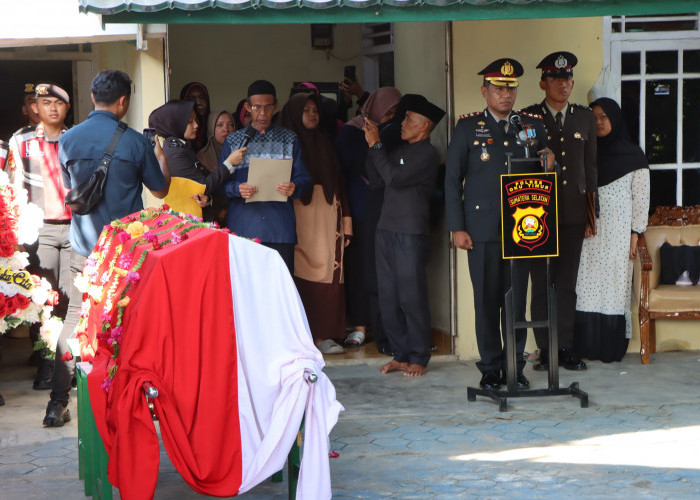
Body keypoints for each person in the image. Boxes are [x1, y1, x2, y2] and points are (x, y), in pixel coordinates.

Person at [42, 70, 171, 427]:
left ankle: (57, 403)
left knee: (75, 320)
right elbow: (159, 190)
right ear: (124, 101)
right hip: (124, 252)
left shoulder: (68, 140)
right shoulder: (134, 142)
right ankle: (126, 399)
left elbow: (72, 193)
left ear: (93, 95)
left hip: (84, 250)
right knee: (127, 322)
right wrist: (159, 154)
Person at [445, 59, 554, 391]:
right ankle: (491, 369)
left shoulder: (532, 126)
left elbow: (544, 171)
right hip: (480, 230)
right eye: (498, 88)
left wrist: (551, 164)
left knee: (516, 301)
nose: (506, 95)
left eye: (511, 88)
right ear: (485, 91)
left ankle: (515, 367)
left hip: (523, 230)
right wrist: (457, 227)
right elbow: (451, 180)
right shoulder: (468, 127)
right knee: (487, 302)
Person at [522, 52, 596, 372]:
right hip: (536, 215)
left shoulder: (584, 116)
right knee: (541, 284)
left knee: (567, 284)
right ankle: (544, 348)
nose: (562, 84)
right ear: (543, 83)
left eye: (567, 79)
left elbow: (590, 168)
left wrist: (592, 215)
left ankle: (565, 347)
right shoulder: (527, 118)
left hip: (573, 213)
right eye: (555, 78)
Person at [364, 94, 445, 377]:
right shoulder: (400, 148)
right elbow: (378, 178)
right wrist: (375, 145)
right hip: (386, 228)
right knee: (389, 294)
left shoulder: (427, 153)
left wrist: (376, 145)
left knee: (411, 296)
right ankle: (400, 353)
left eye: (409, 119)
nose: (403, 122)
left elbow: (395, 178)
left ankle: (419, 356)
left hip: (410, 232)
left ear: (424, 126)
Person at [7, 83, 73, 390]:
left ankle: (65, 368)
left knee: (70, 300)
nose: (52, 108)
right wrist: (16, 233)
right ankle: (46, 366)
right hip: (39, 229)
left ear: (66, 108)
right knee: (44, 298)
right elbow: (13, 186)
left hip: (73, 228)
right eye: (45, 103)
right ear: (35, 106)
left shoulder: (75, 138)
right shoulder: (21, 141)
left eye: (57, 103)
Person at [575, 97, 650, 362]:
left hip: (619, 236)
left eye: (604, 116)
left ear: (615, 119)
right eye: (594, 117)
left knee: (614, 287)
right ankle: (586, 347)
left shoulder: (634, 156)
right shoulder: (585, 153)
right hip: (590, 234)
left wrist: (635, 235)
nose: (598, 122)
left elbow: (641, 199)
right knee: (587, 286)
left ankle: (610, 348)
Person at [278, 93, 351, 354]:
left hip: (327, 217)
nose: (312, 115)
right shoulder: (285, 143)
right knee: (297, 274)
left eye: (315, 110)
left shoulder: (325, 142)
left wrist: (347, 223)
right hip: (296, 215)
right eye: (306, 110)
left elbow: (340, 182)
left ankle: (324, 335)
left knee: (329, 274)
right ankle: (301, 336)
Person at [218, 80, 311, 273]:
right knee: (246, 290)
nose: (262, 113)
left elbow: (304, 178)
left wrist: (294, 186)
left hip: (279, 229)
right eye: (257, 107)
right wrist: (237, 189)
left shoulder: (289, 139)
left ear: (276, 106)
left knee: (279, 292)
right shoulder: (234, 141)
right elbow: (220, 183)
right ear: (247, 107)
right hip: (244, 227)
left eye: (268, 107)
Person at [334, 87, 401, 350]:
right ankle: (361, 323)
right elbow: (351, 165)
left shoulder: (391, 134)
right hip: (360, 206)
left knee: (387, 270)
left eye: (396, 114)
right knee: (362, 268)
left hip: (387, 207)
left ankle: (388, 327)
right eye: (388, 113)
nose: (391, 119)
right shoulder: (352, 132)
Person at [149, 100, 232, 222]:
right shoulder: (174, 152)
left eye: (195, 120)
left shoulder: (182, 145)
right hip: (186, 223)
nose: (196, 125)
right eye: (189, 122)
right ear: (175, 124)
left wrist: (207, 199)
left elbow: (198, 192)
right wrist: (229, 163)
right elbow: (203, 185)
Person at [180, 82, 210, 152]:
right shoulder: (179, 134)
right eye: (192, 99)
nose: (198, 102)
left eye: (202, 98)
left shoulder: (215, 125)